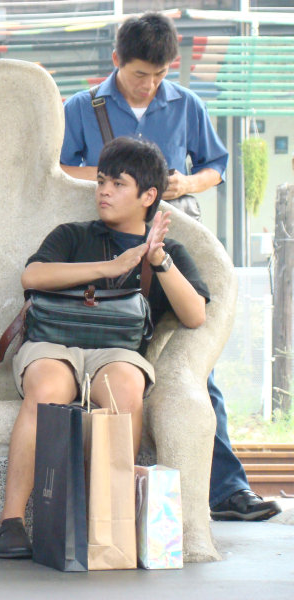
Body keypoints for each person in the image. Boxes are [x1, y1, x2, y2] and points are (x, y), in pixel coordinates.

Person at [59, 12, 280, 522]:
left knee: (193, 364)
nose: (151, 85)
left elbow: (216, 167)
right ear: (116, 61)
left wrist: (184, 185)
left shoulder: (187, 103)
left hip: (173, 246)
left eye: (161, 75)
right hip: (107, 254)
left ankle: (225, 490)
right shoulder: (82, 107)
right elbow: (61, 168)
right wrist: (121, 179)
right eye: (140, 74)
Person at [0, 137, 208, 559]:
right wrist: (111, 268)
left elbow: (195, 315)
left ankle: (110, 519)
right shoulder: (73, 235)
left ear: (149, 196)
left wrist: (158, 260)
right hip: (54, 343)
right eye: (101, 181)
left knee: (125, 390)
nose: (104, 191)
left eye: (118, 185)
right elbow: (32, 277)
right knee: (47, 392)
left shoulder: (168, 249)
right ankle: (11, 521)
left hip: (118, 351)